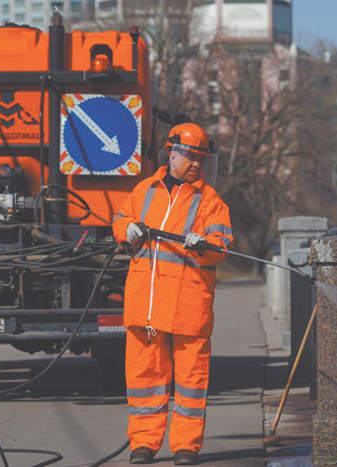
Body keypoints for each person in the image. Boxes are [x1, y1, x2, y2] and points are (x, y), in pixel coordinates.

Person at [112, 123, 234, 465]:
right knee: (145, 379)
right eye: (191, 157)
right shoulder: (144, 190)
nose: (196, 164)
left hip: (187, 308)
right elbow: (120, 218)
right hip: (146, 307)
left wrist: (204, 246)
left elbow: (222, 247)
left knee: (191, 383)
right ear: (172, 153)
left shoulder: (210, 202)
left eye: (201, 159)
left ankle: (185, 447)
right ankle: (143, 444)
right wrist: (127, 229)